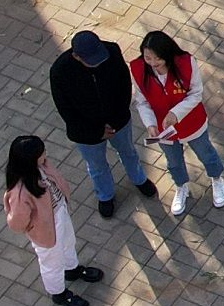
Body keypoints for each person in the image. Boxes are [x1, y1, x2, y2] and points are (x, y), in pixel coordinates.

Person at [50, 30, 153, 217]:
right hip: (86, 132)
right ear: (76, 56)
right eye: (92, 60)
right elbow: (66, 110)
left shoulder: (111, 51)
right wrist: (96, 131)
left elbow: (124, 86)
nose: (98, 62)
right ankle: (105, 195)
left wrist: (115, 120)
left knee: (128, 151)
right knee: (96, 165)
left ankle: (139, 179)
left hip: (118, 121)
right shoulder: (60, 71)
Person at [131, 29, 224, 217]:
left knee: (206, 154)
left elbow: (196, 93)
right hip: (163, 130)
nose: (153, 63)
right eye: (148, 58)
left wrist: (176, 113)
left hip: (192, 123)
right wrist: (150, 124)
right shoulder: (138, 69)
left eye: (157, 58)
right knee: (174, 162)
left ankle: (216, 179)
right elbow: (142, 102)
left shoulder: (185, 63)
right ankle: (181, 186)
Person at [4, 135, 104, 306]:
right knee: (52, 263)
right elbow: (17, 223)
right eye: (42, 153)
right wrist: (34, 228)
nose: (45, 154)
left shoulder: (41, 167)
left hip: (59, 214)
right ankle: (58, 293)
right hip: (44, 231)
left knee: (68, 243)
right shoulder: (20, 192)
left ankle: (72, 269)